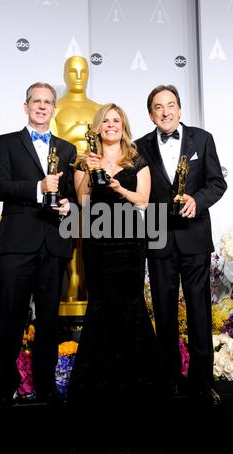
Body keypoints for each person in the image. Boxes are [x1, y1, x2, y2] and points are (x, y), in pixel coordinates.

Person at [0, 82, 76, 412]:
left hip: (53, 244)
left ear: (55, 109)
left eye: (48, 102)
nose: (42, 106)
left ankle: (45, 388)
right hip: (17, 245)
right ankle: (2, 390)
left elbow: (72, 198)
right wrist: (37, 187)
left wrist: (68, 207)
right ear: (25, 106)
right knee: (10, 317)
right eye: (36, 101)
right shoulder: (6, 143)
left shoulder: (66, 150)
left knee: (50, 321)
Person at [135, 85, 227, 405]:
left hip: (194, 238)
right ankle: (170, 379)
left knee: (199, 312)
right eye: (158, 107)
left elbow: (217, 182)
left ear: (180, 109)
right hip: (158, 239)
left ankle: (202, 383)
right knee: (163, 312)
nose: (166, 112)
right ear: (151, 114)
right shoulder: (138, 147)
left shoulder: (202, 139)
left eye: (171, 105)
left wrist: (197, 201)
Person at [67, 103, 159, 406]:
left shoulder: (137, 159)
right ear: (98, 126)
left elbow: (143, 201)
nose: (110, 125)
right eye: (105, 121)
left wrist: (120, 189)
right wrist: (91, 172)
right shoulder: (85, 160)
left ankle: (138, 378)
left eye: (116, 120)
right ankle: (97, 380)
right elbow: (82, 201)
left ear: (123, 125)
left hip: (131, 242)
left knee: (131, 304)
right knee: (101, 304)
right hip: (97, 242)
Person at [51, 55, 101, 303]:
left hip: (94, 177)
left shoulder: (98, 109)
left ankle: (89, 284)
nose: (79, 76)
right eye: (73, 72)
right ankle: (71, 284)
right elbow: (50, 143)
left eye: (83, 71)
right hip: (64, 175)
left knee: (94, 230)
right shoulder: (55, 107)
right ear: (64, 75)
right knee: (69, 230)